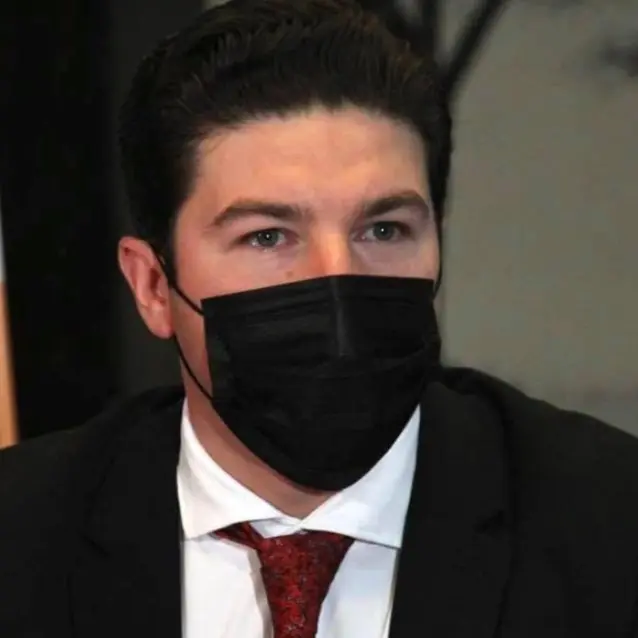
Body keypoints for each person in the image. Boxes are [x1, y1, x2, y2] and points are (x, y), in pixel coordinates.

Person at [1, 1, 637, 636]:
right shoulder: (22, 533)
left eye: (384, 230)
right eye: (268, 237)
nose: (337, 279)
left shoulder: (611, 524)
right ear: (152, 286)